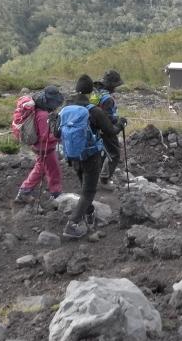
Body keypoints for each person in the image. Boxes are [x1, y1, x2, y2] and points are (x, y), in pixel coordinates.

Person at [62, 76, 121, 238]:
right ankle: (72, 224)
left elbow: (57, 133)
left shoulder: (66, 108)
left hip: (72, 154)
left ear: (76, 89)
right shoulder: (94, 110)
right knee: (89, 191)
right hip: (90, 155)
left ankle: (89, 214)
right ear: (90, 91)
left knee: (85, 186)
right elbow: (111, 131)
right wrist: (121, 123)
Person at [14, 85, 65, 204]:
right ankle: (56, 194)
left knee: (40, 169)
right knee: (54, 172)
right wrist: (59, 136)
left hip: (38, 147)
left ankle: (24, 192)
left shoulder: (38, 109)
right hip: (45, 148)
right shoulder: (43, 115)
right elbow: (45, 137)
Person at [91, 70, 128, 185]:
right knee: (114, 154)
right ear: (111, 85)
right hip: (107, 129)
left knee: (102, 152)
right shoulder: (108, 99)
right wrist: (119, 123)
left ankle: (98, 175)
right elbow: (107, 118)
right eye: (115, 85)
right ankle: (105, 179)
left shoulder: (96, 93)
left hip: (95, 129)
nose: (116, 88)